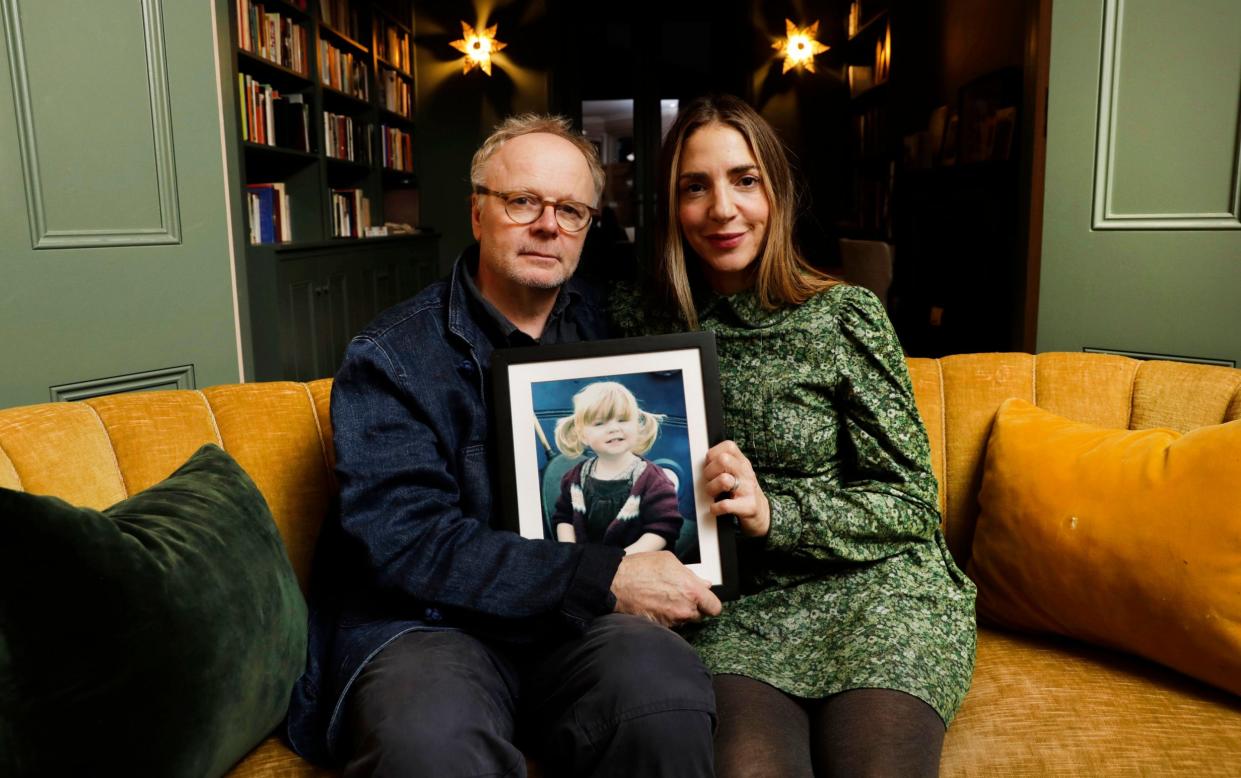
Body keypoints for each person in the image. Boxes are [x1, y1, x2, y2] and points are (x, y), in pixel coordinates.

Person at [285, 114, 721, 777]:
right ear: (477, 212)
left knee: (661, 693)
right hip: (426, 626)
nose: (548, 225)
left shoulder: (616, 333)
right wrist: (600, 574)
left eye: (571, 210)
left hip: (571, 629)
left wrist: (718, 474)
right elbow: (408, 542)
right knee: (427, 744)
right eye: (522, 201)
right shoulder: (392, 357)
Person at [612, 94, 977, 777]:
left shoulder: (843, 317)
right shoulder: (635, 323)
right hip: (740, 609)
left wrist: (775, 512)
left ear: (775, 192)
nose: (721, 208)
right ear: (671, 204)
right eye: (695, 187)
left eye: (743, 180)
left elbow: (910, 501)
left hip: (878, 596)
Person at [550, 381, 684, 553]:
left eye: (622, 420)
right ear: (582, 435)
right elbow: (564, 517)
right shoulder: (575, 478)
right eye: (600, 423)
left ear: (637, 426)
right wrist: (570, 551)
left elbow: (663, 528)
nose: (614, 428)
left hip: (637, 565)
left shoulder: (652, 480)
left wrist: (619, 561)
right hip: (586, 566)